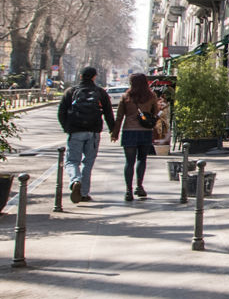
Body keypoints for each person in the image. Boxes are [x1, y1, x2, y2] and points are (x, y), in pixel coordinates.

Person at [58, 66, 116, 203]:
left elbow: (61, 112)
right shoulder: (100, 92)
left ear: (80, 76)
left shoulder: (71, 92)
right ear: (95, 77)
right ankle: (84, 193)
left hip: (75, 131)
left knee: (72, 161)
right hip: (93, 132)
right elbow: (108, 113)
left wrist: (67, 128)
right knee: (88, 163)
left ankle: (75, 180)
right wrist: (113, 131)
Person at [114, 73, 165, 202]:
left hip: (129, 131)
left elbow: (119, 116)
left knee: (129, 162)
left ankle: (128, 191)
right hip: (145, 131)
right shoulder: (151, 96)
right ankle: (139, 186)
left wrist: (115, 132)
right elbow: (154, 113)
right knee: (142, 159)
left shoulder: (126, 97)